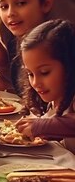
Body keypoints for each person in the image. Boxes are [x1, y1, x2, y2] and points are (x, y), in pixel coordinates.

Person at [15, 19, 75, 153]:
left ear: (70, 65)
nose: (35, 82)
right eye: (30, 74)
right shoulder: (55, 99)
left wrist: (42, 126)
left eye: (44, 72)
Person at [0, 0, 54, 93]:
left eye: (21, 3)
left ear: (46, 4)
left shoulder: (58, 47)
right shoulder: (14, 44)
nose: (10, 13)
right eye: (4, 6)